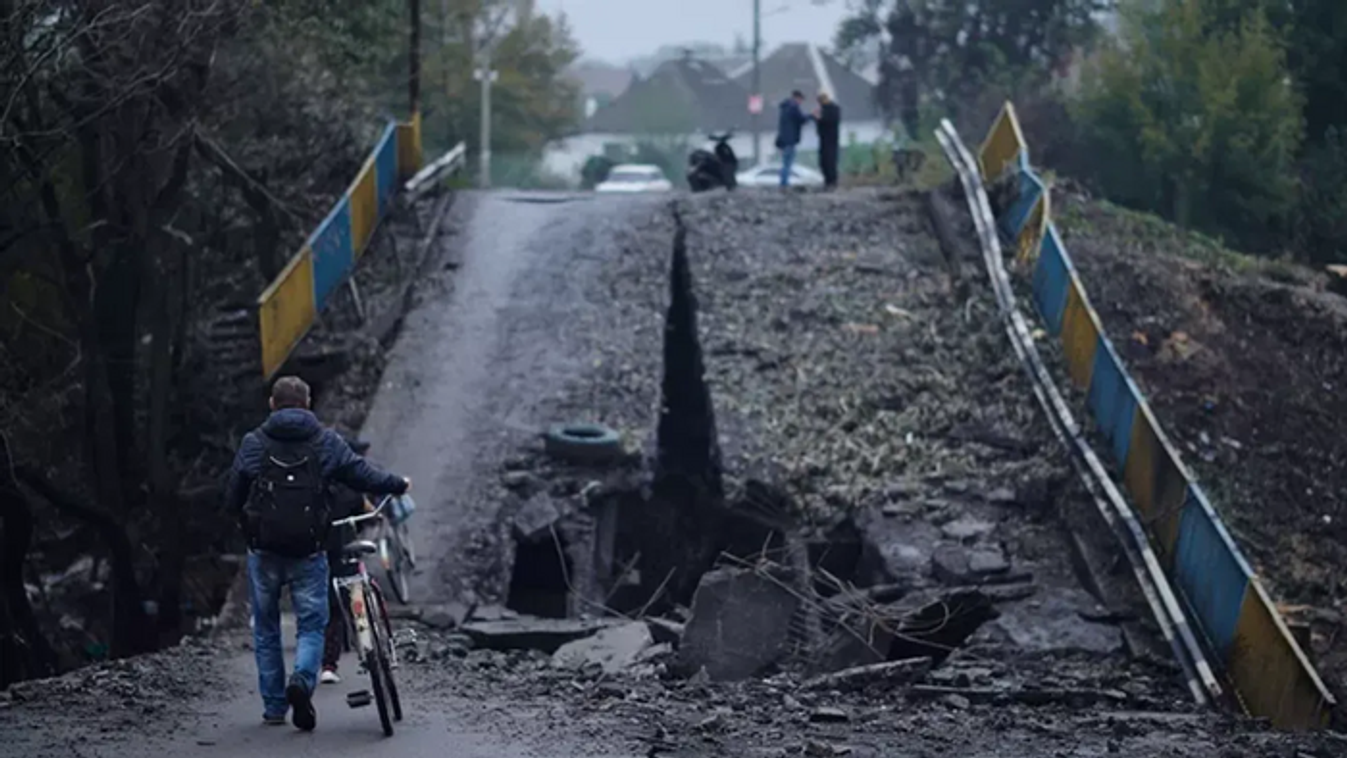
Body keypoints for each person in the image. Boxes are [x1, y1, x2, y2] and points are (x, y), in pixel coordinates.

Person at [225, 376, 410, 731]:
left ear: (272, 404)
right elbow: (362, 475)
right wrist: (397, 485)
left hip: (264, 551)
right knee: (312, 625)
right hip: (309, 551)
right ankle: (302, 680)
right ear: (308, 404)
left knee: (266, 629)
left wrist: (247, 525)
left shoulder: (254, 443)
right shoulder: (326, 442)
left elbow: (232, 497)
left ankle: (274, 707)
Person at [775, 90, 812, 187]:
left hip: (784, 140)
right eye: (801, 100)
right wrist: (811, 116)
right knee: (787, 163)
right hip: (790, 140)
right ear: (797, 98)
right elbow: (801, 119)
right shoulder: (793, 107)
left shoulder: (785, 108)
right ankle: (784, 184)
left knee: (785, 163)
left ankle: (783, 183)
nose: (801, 102)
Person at [814, 92, 842, 189]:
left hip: (831, 138)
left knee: (830, 161)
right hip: (823, 138)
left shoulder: (834, 109)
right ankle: (827, 181)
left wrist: (819, 118)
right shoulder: (823, 109)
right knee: (823, 161)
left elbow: (830, 121)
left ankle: (832, 181)